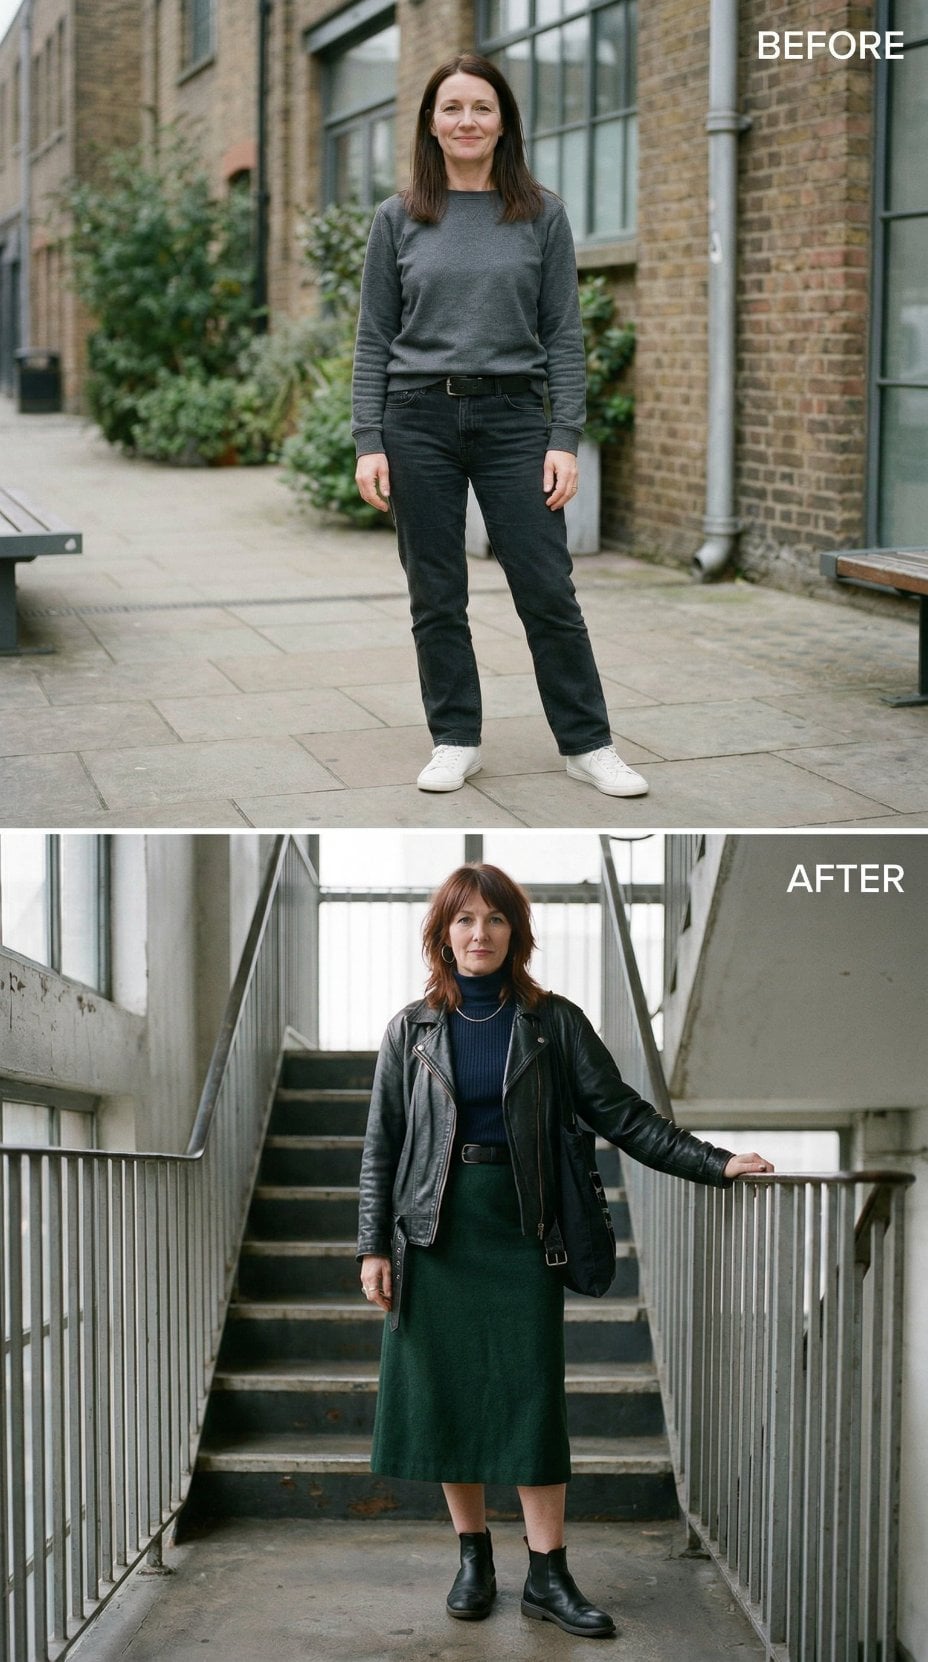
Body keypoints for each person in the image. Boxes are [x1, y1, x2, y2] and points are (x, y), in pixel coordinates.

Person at [356, 863, 774, 1637]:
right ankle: (474, 1558)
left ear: (516, 932)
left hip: (523, 1232)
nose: (479, 934)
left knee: (531, 1400)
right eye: (464, 919)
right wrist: (372, 1247)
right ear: (442, 934)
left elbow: (623, 1115)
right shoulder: (411, 1029)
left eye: (495, 919)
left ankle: (548, 1575)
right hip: (434, 1236)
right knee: (447, 1398)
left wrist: (715, 1162)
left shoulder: (554, 1022)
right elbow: (384, 1143)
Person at [351, 54, 648, 800]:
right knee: (436, 593)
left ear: (504, 122)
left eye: (482, 107)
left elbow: (564, 335)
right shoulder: (397, 218)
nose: (467, 121)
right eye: (452, 108)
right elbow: (373, 338)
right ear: (431, 123)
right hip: (416, 418)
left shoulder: (541, 215)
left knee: (547, 586)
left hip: (514, 418)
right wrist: (368, 441)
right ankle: (455, 739)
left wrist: (564, 438)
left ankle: (588, 745)